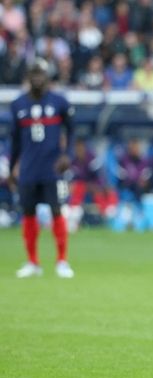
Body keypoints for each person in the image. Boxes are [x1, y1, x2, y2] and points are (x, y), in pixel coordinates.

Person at [9, 60, 75, 278]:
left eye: (41, 74)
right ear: (28, 76)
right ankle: (32, 262)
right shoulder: (18, 104)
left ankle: (62, 261)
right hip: (28, 169)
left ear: (48, 76)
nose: (37, 78)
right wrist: (12, 169)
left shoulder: (59, 102)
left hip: (52, 168)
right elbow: (15, 141)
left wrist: (68, 155)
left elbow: (72, 130)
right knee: (28, 213)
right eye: (33, 74)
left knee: (57, 211)